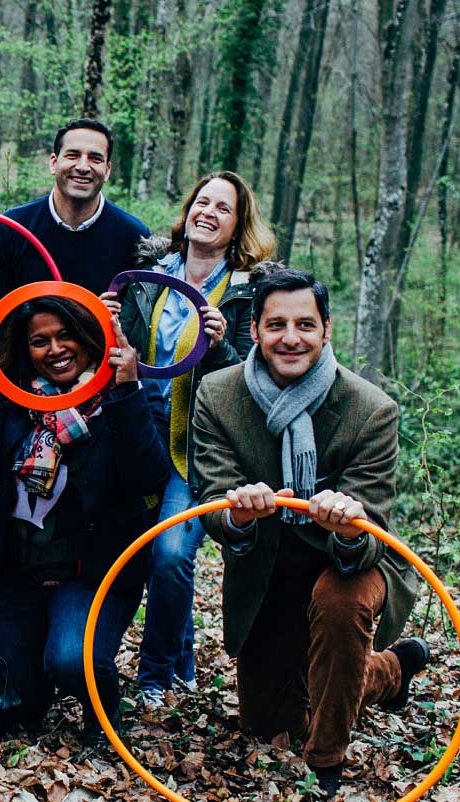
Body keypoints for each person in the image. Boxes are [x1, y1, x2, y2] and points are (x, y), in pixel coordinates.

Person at [190, 268, 429, 794]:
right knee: (269, 724)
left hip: (350, 563)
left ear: (326, 330)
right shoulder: (217, 394)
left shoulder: (371, 409)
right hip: (269, 565)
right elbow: (211, 500)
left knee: (339, 602)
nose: (291, 338)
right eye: (276, 324)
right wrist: (239, 512)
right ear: (255, 330)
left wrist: (347, 524)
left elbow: (372, 533)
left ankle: (326, 764)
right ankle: (389, 672)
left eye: (305, 324)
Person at [0, 118, 151, 655]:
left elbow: (137, 339)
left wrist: (111, 324)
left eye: (95, 157)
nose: (83, 166)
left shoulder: (131, 238)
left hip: (98, 407)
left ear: (108, 169)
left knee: (110, 507)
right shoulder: (12, 230)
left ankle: (97, 641)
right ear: (53, 161)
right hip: (20, 402)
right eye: (73, 155)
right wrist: (3, 395)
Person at [101, 170, 276, 706]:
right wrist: (107, 320)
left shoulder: (249, 292)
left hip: (200, 443)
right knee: (143, 551)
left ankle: (154, 677)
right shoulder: (148, 276)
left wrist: (221, 347)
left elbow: (253, 382)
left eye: (223, 208)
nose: (208, 213)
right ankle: (181, 662)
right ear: (188, 211)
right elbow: (120, 354)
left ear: (238, 226)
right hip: (140, 431)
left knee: (172, 552)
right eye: (203, 202)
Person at [0, 296, 165, 736]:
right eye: (40, 341)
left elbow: (148, 476)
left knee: (72, 660)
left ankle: (102, 714)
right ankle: (40, 678)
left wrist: (127, 389)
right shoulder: (15, 399)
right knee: (22, 705)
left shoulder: (118, 399)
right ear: (26, 348)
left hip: (91, 574)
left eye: (65, 335)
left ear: (89, 338)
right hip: (21, 574)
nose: (55, 349)